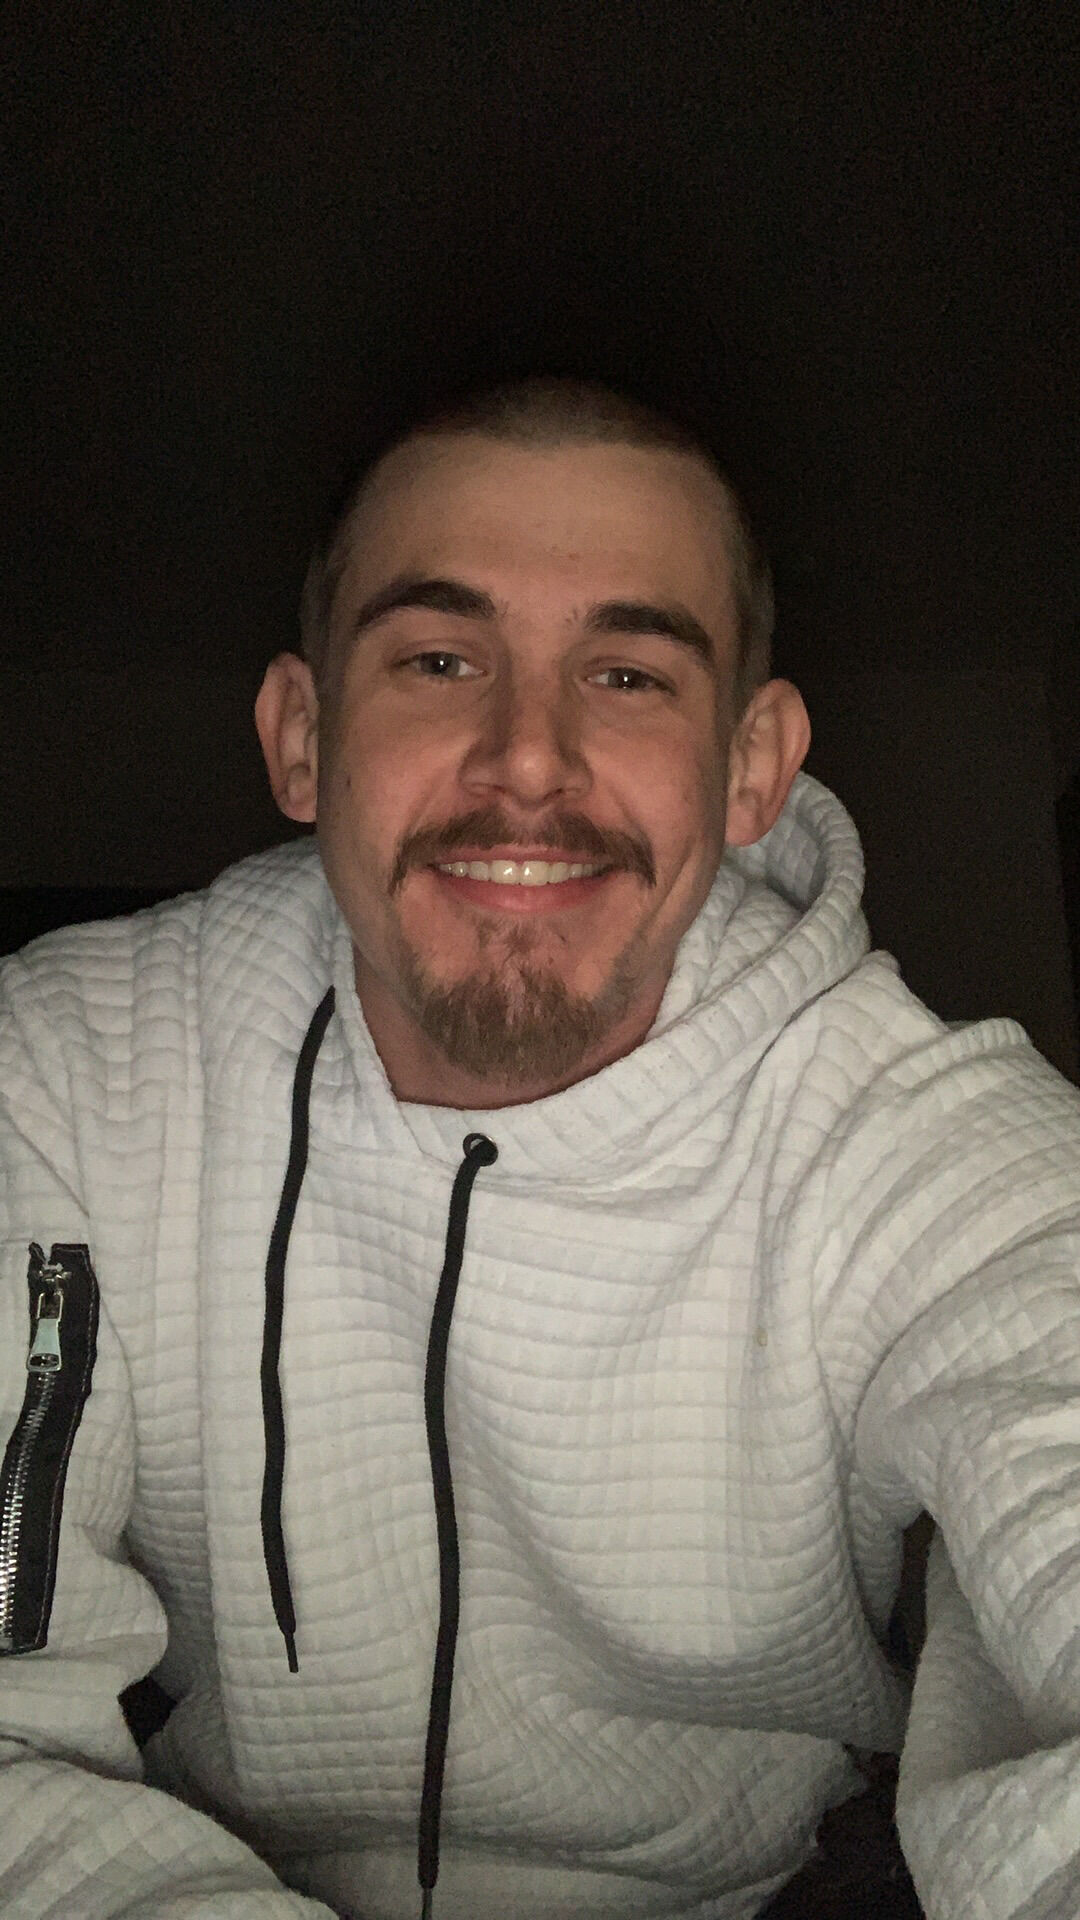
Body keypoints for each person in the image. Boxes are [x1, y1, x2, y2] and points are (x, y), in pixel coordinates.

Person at [0, 376, 1077, 1920]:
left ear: (752, 767)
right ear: (303, 736)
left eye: (628, 675)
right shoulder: (59, 1069)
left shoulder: (922, 1143)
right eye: (439, 660)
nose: (526, 758)